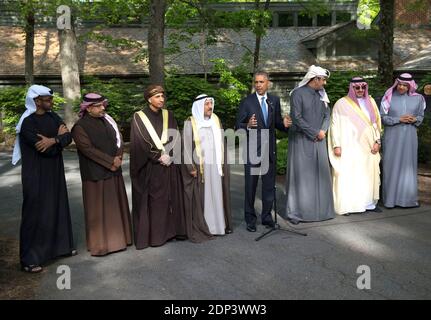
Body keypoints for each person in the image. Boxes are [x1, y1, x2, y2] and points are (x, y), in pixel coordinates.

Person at [12, 85, 76, 273]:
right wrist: (58, 139)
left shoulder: (53, 117)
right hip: (36, 174)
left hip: (54, 172)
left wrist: (53, 140)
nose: (51, 102)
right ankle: (29, 259)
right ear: (36, 101)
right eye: (47, 100)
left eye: (50, 99)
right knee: (35, 213)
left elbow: (68, 137)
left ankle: (60, 248)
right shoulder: (27, 122)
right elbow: (43, 149)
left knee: (56, 206)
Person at [72, 93, 132, 256]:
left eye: (103, 105)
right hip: (94, 173)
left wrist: (119, 157)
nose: (103, 108)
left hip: (114, 169)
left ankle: (120, 240)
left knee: (115, 206)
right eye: (98, 106)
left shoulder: (108, 121)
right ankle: (101, 245)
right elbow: (88, 150)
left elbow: (119, 139)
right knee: (98, 210)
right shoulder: (80, 127)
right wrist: (110, 161)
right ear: (88, 108)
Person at [130, 84, 187, 249]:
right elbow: (140, 141)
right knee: (156, 201)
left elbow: (175, 135)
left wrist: (170, 155)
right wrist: (158, 156)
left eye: (162, 96)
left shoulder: (169, 115)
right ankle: (156, 236)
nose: (161, 99)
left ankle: (172, 232)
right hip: (152, 166)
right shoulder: (139, 117)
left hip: (169, 163)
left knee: (171, 198)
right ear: (149, 99)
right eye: (157, 97)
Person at [235, 71, 292, 232]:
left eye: (261, 82)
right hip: (253, 150)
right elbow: (238, 126)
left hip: (270, 151)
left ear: (268, 83)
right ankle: (250, 219)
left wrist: (285, 124)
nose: (258, 85)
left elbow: (276, 123)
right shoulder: (247, 102)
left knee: (268, 186)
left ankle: (267, 217)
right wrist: (247, 125)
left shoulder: (273, 100)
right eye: (256, 82)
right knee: (250, 186)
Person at [285, 65, 335, 224]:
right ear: (315, 79)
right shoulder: (297, 94)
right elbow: (297, 118)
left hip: (319, 140)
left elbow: (328, 115)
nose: (324, 84)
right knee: (302, 176)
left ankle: (321, 211)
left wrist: (322, 131)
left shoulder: (322, 95)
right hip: (301, 141)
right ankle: (298, 213)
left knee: (318, 176)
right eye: (323, 80)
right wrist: (314, 132)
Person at [328, 77, 382, 215]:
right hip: (349, 146)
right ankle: (348, 206)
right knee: (350, 176)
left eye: (363, 87)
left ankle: (368, 204)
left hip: (368, 147)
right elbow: (334, 125)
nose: (360, 90)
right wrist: (336, 145)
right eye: (357, 87)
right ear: (351, 88)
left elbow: (376, 123)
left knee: (368, 175)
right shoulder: (341, 103)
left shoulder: (371, 102)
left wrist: (378, 142)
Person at [182, 94, 232, 242]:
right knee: (203, 196)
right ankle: (206, 226)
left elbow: (222, 143)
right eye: (207, 104)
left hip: (216, 166)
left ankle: (219, 226)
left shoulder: (216, 120)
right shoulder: (190, 122)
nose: (210, 107)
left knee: (217, 193)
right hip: (200, 167)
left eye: (211, 103)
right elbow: (185, 147)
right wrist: (190, 166)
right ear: (199, 106)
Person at [380, 73, 426, 208]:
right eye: (399, 84)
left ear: (410, 86)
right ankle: (390, 201)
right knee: (391, 166)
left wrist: (415, 119)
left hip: (410, 138)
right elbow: (382, 117)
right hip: (392, 137)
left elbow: (420, 116)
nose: (401, 87)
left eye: (405, 85)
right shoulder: (388, 97)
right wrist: (397, 119)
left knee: (408, 166)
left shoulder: (418, 99)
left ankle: (408, 200)